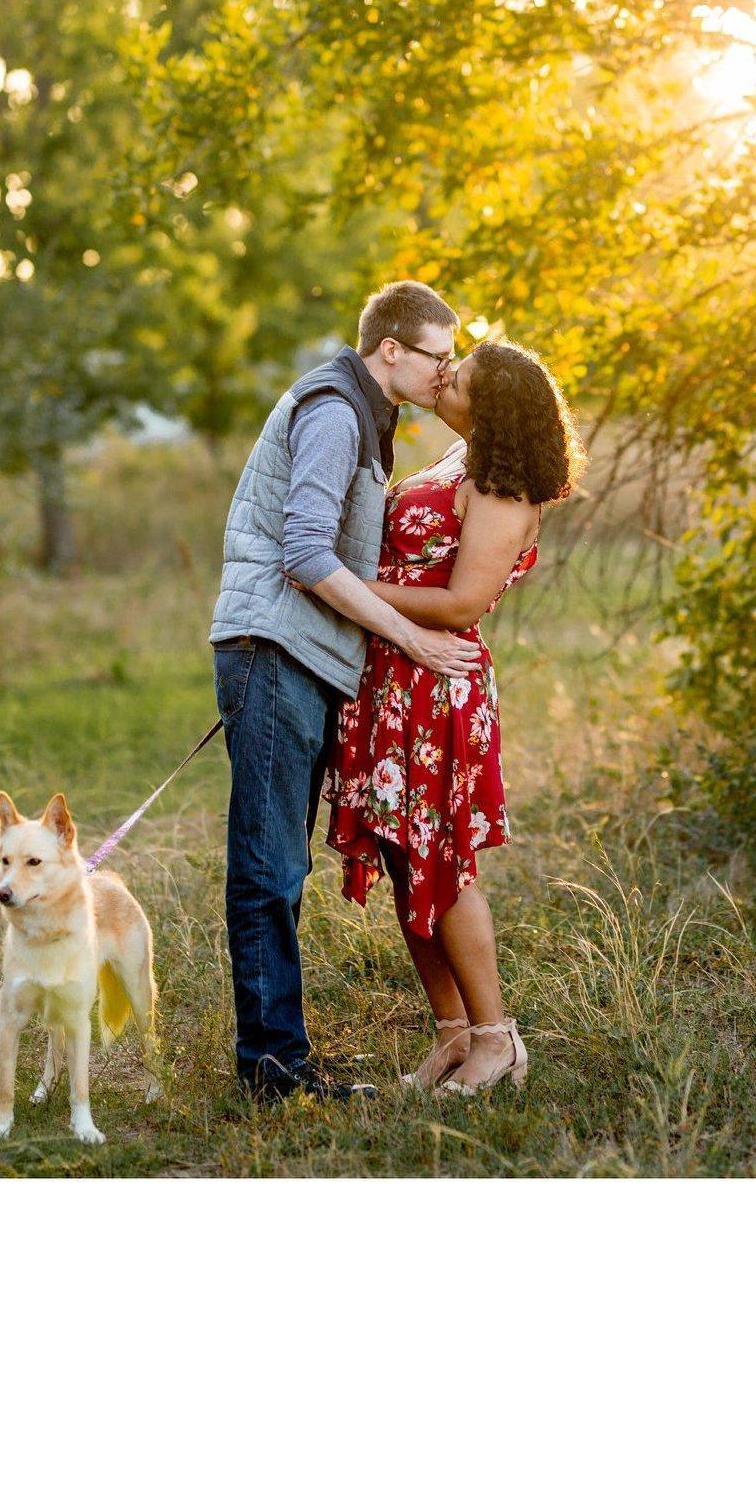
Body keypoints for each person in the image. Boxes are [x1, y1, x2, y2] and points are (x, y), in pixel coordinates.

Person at [209, 281, 482, 1102]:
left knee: (278, 860)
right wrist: (408, 636)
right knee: (268, 866)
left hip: (292, 654)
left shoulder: (370, 412)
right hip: (273, 651)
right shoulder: (335, 409)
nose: (446, 374)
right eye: (439, 356)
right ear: (391, 349)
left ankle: (277, 1058)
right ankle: (271, 1070)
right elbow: (303, 550)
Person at [327, 340, 584, 1096]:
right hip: (391, 675)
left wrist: (342, 582)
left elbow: (462, 603)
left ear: (491, 408)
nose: (446, 376)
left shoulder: (503, 491)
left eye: (460, 377)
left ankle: (496, 1037)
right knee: (406, 855)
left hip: (436, 684)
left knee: (442, 860)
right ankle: (450, 1032)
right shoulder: (453, 460)